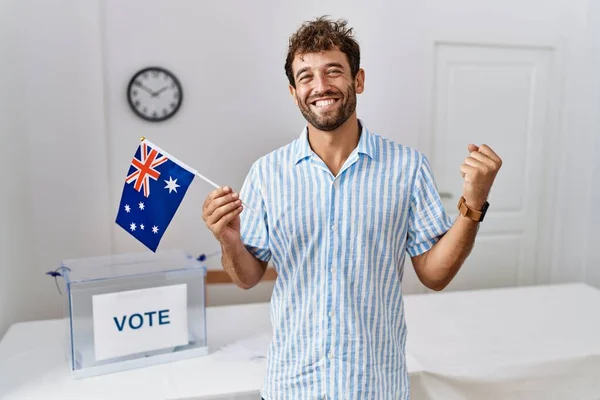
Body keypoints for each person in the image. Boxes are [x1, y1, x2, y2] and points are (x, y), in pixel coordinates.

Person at [202, 15, 502, 400]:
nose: (320, 86)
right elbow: (247, 276)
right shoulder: (266, 173)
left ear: (358, 80)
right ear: (293, 92)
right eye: (306, 76)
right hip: (292, 385)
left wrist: (473, 203)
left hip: (375, 385)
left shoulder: (407, 167)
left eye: (333, 71)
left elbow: (434, 275)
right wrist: (229, 240)